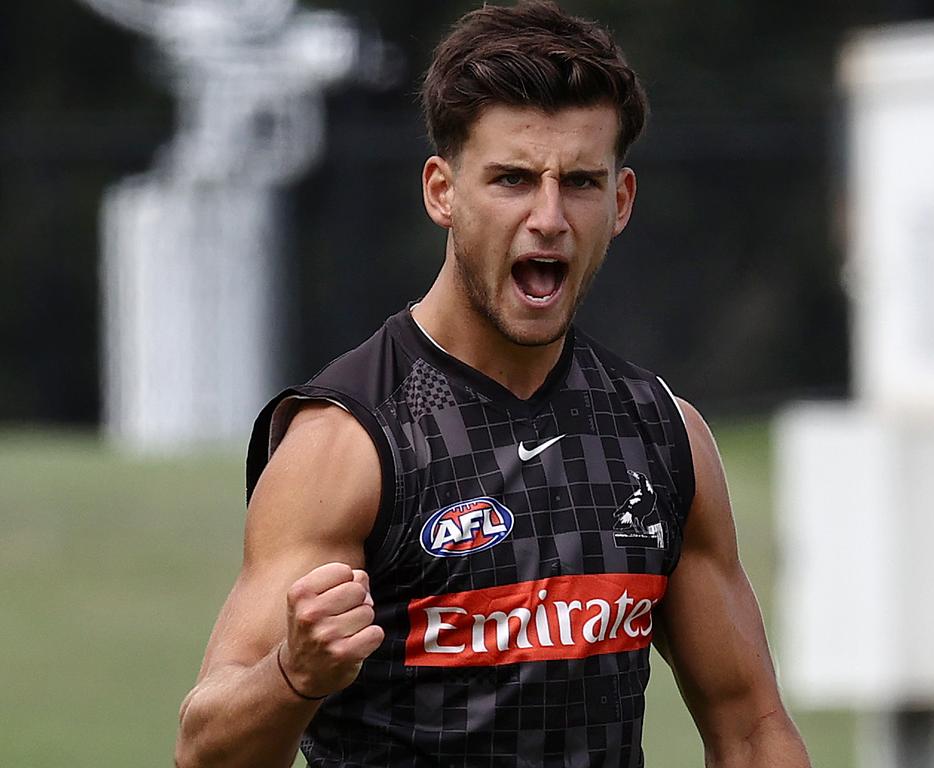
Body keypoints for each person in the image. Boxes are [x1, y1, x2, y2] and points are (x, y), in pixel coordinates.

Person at [175, 2, 812, 766]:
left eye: (579, 181)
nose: (549, 216)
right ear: (443, 191)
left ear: (621, 201)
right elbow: (203, 752)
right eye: (512, 179)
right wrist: (293, 676)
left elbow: (751, 732)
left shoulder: (665, 436)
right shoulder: (348, 444)